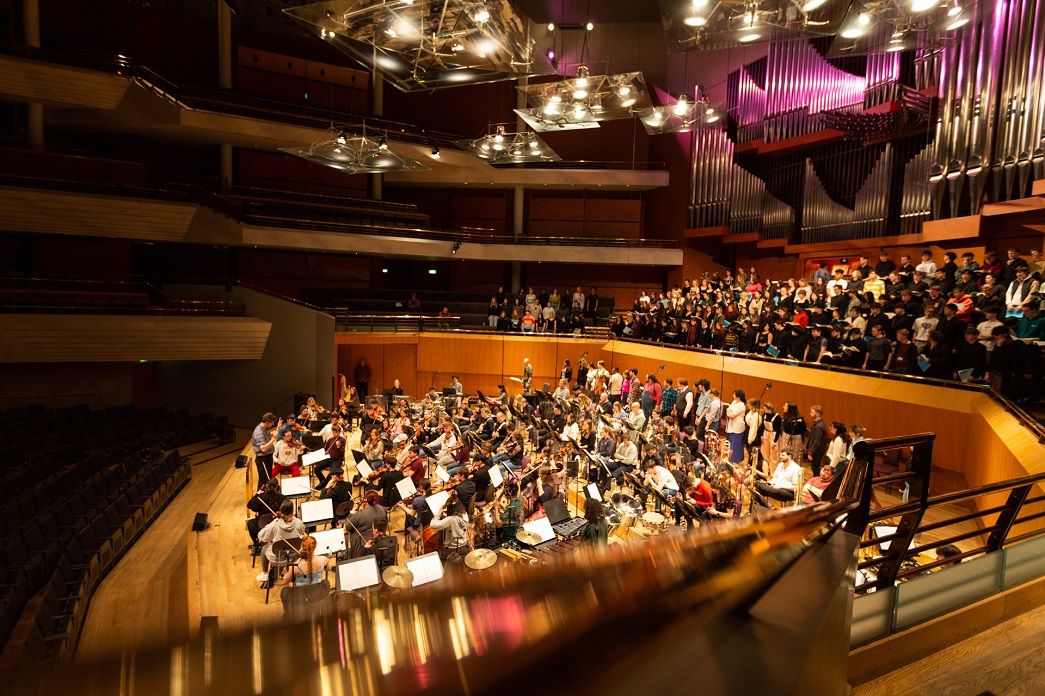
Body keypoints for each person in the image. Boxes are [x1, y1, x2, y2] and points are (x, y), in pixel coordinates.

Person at [257, 500, 305, 582]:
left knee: (264, 548)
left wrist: (272, 522)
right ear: (292, 510)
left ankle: (265, 573)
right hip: (294, 555)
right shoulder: (299, 522)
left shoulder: (276, 523)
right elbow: (302, 532)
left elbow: (261, 536)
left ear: (281, 510)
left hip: (278, 556)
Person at [247, 478, 286, 554]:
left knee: (250, 523)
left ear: (267, 487)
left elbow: (249, 505)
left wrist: (257, 494)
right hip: (278, 525)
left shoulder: (261, 498)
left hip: (263, 527)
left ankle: (256, 545)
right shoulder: (282, 497)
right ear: (277, 486)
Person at [430, 491, 470, 561]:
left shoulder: (450, 520)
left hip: (451, 550)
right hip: (463, 548)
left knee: (440, 560)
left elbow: (433, 524)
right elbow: (456, 520)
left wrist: (439, 513)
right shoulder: (465, 514)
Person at [251, 412, 280, 484]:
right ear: (267, 422)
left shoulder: (264, 427)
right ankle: (261, 494)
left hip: (268, 457)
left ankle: (269, 494)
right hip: (263, 459)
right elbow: (263, 449)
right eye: (272, 423)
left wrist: (275, 430)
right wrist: (273, 438)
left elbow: (265, 436)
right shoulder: (259, 433)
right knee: (263, 480)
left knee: (268, 478)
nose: (273, 424)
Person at [724, 390, 747, 464]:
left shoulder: (741, 405)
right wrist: (729, 412)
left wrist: (729, 412)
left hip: (737, 427)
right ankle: (728, 458)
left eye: (734, 395)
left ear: (738, 397)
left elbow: (732, 415)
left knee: (735, 444)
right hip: (730, 425)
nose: (733, 396)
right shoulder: (734, 402)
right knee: (729, 443)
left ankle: (735, 460)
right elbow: (728, 410)